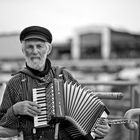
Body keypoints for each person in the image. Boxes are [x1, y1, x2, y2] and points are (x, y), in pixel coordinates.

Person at [0, 26, 111, 140]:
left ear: (48, 49)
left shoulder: (64, 75)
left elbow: (87, 111)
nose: (35, 51)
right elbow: (3, 124)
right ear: (23, 50)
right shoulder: (15, 83)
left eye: (39, 46)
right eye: (29, 47)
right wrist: (15, 110)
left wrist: (101, 129)